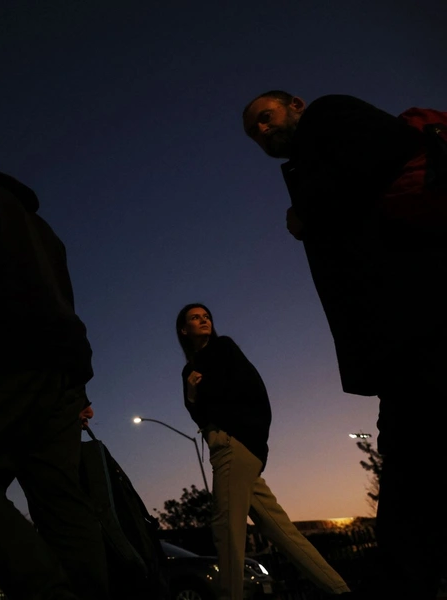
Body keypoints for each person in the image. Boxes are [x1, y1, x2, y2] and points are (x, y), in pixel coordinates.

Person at [242, 91, 447, 599]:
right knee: (412, 463)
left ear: (295, 104)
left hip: (421, 317)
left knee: (409, 469)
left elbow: (385, 154)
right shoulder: (315, 158)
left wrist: (306, 214)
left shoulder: (331, 115)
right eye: (255, 132)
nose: (263, 133)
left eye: (266, 118)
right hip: (403, 332)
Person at [0, 148, 109, 600]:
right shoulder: (44, 230)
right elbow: (65, 301)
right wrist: (78, 383)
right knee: (60, 498)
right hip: (61, 371)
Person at [175, 303, 351, 600]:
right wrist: (192, 395)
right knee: (280, 530)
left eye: (206, 316)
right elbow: (199, 416)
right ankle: (341, 590)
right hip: (226, 449)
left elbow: (252, 390)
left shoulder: (223, 349)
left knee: (225, 529)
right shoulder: (189, 370)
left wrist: (247, 435)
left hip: (234, 446)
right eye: (195, 318)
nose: (203, 320)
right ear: (184, 329)